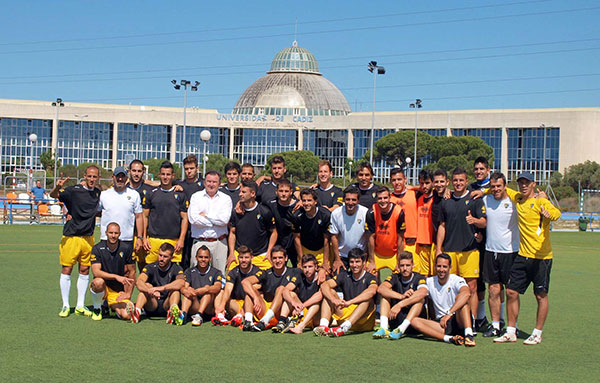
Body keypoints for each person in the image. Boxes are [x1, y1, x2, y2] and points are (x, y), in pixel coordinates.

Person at [493, 171, 561, 345]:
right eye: (521, 182)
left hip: (542, 258)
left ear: (533, 184)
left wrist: (549, 214)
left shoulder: (541, 201)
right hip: (523, 256)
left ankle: (537, 333)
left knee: (540, 295)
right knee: (511, 291)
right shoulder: (518, 199)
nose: (523, 185)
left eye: (527, 182)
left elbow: (556, 214)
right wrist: (482, 191)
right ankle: (510, 331)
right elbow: (503, 189)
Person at [50, 165, 101, 318]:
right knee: (67, 269)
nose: (92, 179)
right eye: (89, 176)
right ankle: (66, 305)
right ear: (85, 176)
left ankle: (80, 305)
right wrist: (57, 187)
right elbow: (54, 195)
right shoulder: (73, 190)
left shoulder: (98, 193)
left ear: (98, 178)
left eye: (95, 177)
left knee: (85, 270)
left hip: (88, 238)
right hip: (71, 237)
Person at [436, 167, 486, 322]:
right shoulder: (446, 200)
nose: (458, 183)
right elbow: (442, 226)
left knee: (471, 288)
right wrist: (439, 249)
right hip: (450, 250)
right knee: (450, 288)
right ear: (451, 182)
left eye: (461, 180)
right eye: (456, 180)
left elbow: (484, 222)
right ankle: (454, 320)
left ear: (467, 182)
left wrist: (475, 221)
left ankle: (472, 321)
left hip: (469, 251)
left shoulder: (474, 200)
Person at [480, 172, 518, 337]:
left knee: (511, 292)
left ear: (505, 186)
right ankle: (495, 325)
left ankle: (510, 328)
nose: (496, 189)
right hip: (491, 250)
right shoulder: (485, 200)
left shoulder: (514, 201)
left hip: (510, 252)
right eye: (493, 186)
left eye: (499, 186)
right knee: (494, 290)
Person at [411, 253, 476, 346]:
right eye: (439, 266)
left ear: (450, 267)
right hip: (443, 324)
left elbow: (466, 293)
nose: (441, 270)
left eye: (445, 267)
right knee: (414, 321)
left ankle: (469, 335)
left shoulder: (456, 280)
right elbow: (419, 293)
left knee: (462, 301)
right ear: (435, 267)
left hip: (458, 319)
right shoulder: (429, 281)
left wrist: (449, 313)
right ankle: (449, 339)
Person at [313, 248, 377, 337]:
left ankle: (344, 327)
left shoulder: (370, 277)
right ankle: (323, 327)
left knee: (367, 300)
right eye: (352, 262)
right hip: (345, 314)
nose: (354, 265)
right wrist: (334, 300)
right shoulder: (344, 275)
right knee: (329, 292)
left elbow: (372, 291)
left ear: (364, 262)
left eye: (357, 262)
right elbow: (324, 285)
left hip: (363, 321)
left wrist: (350, 302)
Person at [240, 246, 299, 331]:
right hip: (265, 309)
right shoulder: (266, 273)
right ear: (271, 260)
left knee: (282, 289)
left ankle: (265, 321)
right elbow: (245, 282)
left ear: (286, 258)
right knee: (251, 290)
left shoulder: (294, 272)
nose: (277, 261)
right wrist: (255, 297)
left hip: (282, 313)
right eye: (274, 258)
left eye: (280, 258)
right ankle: (248, 321)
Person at [373, 251, 427, 339]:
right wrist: (401, 296)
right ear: (398, 266)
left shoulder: (419, 278)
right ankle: (384, 328)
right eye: (402, 266)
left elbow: (423, 292)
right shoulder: (395, 277)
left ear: (413, 265)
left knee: (420, 300)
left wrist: (400, 304)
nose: (405, 268)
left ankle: (401, 329)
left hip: (413, 323)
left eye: (408, 265)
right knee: (385, 296)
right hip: (396, 319)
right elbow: (381, 289)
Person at [142, 161, 188, 265]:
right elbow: (145, 216)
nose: (165, 177)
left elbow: (185, 218)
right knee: (151, 272)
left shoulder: (180, 195)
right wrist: (144, 238)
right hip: (154, 240)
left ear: (173, 176)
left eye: (168, 174)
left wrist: (181, 239)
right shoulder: (151, 194)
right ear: (159, 175)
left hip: (173, 240)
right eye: (163, 174)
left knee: (172, 274)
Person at [187, 170, 232, 276]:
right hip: (199, 241)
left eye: (214, 182)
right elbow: (193, 219)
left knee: (220, 276)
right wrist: (215, 221)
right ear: (204, 182)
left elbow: (224, 220)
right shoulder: (196, 197)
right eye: (209, 181)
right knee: (196, 276)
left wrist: (206, 216)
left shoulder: (226, 199)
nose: (211, 184)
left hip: (219, 242)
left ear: (219, 184)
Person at [89, 222, 136, 321]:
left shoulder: (126, 248)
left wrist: (128, 293)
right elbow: (96, 272)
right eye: (111, 233)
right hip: (103, 287)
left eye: (116, 233)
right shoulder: (97, 248)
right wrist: (116, 276)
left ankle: (111, 308)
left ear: (120, 234)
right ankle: (97, 309)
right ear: (106, 233)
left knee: (127, 316)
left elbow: (132, 272)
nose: (113, 236)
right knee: (97, 282)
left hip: (117, 290)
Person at [129, 243, 185, 324]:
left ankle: (172, 312)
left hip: (167, 304)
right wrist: (150, 290)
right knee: (146, 286)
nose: (161, 259)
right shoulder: (151, 267)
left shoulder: (176, 268)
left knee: (175, 291)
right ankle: (137, 312)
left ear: (171, 258)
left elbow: (181, 282)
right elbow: (139, 282)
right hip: (152, 304)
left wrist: (160, 288)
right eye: (160, 255)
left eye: (165, 256)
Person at [227, 180, 277, 271]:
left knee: (268, 281)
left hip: (260, 255)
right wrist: (231, 253)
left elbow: (274, 232)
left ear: (253, 193)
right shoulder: (236, 212)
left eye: (243, 192)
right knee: (230, 279)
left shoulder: (265, 212)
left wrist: (269, 252)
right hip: (240, 255)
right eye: (240, 192)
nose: (240, 194)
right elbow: (232, 232)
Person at [469, 156, 493, 331]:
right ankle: (477, 318)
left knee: (490, 282)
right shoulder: (470, 188)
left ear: (488, 170)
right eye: (476, 169)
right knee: (474, 281)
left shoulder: (495, 187)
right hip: (474, 240)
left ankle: (487, 318)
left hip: (492, 241)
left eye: (481, 169)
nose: (478, 171)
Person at [211, 246, 260, 327]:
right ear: (238, 258)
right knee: (222, 291)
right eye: (241, 257)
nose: (244, 260)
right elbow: (228, 290)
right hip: (236, 304)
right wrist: (222, 305)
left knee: (252, 291)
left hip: (252, 305)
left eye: (246, 257)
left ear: (252, 258)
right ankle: (220, 315)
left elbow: (259, 290)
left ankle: (241, 316)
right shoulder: (233, 272)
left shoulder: (258, 272)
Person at [98, 166, 143, 249]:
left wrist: (140, 237)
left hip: (126, 239)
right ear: (113, 177)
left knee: (128, 262)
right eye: (117, 176)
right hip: (106, 239)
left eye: (122, 176)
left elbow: (139, 216)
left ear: (126, 178)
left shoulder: (134, 195)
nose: (120, 179)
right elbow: (96, 212)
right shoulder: (104, 195)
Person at [279, 253, 324, 334]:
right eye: (305, 267)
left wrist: (303, 306)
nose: (307, 270)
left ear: (316, 267)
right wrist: (294, 303)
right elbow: (285, 290)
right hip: (303, 310)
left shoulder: (321, 278)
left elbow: (319, 295)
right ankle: (282, 322)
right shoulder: (299, 276)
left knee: (316, 304)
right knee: (291, 294)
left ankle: (300, 326)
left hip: (317, 317)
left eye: (310, 267)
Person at [366, 186, 406, 276]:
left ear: (390, 198)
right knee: (370, 277)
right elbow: (371, 238)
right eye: (380, 198)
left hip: (393, 255)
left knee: (400, 276)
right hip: (377, 254)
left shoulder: (399, 212)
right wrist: (372, 261)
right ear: (376, 199)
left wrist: (398, 261)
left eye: (385, 198)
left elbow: (400, 239)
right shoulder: (372, 212)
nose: (383, 201)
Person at [329, 186, 369, 273]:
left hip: (360, 256)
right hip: (342, 256)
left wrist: (366, 259)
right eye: (348, 199)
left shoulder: (365, 213)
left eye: (354, 200)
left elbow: (369, 238)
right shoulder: (336, 213)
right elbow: (334, 237)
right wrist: (337, 259)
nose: (350, 203)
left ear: (358, 201)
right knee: (337, 280)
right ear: (343, 200)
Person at [174, 155, 205, 270]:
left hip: (200, 229)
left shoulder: (204, 185)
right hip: (183, 229)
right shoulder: (179, 185)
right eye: (186, 169)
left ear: (197, 168)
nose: (189, 171)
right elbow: (159, 184)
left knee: (200, 260)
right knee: (184, 261)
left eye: (191, 168)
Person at [180, 246, 223, 326]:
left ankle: (199, 315)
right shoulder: (189, 271)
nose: (203, 260)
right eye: (200, 257)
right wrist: (187, 290)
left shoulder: (216, 272)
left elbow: (218, 287)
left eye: (206, 257)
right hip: (195, 304)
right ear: (196, 258)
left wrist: (205, 289)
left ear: (210, 258)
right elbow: (184, 287)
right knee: (187, 292)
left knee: (208, 292)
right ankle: (183, 315)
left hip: (208, 308)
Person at [291, 188, 331, 273]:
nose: (306, 203)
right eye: (304, 200)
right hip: (306, 249)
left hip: (322, 250)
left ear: (315, 201)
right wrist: (301, 260)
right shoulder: (297, 216)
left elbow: (326, 240)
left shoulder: (325, 215)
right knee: (302, 273)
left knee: (325, 274)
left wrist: (325, 262)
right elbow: (296, 238)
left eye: (309, 200)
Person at [127, 159, 154, 270]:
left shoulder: (150, 190)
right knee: (127, 268)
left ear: (143, 172)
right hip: (126, 235)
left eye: (139, 171)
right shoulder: (123, 188)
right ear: (129, 171)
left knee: (144, 267)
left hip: (144, 235)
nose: (136, 174)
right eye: (134, 170)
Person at [267, 179, 299, 267]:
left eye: (286, 191)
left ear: (291, 192)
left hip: (295, 244)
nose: (283, 194)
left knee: (299, 268)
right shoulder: (271, 204)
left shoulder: (298, 206)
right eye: (281, 191)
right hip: (278, 243)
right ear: (276, 192)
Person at [389, 168, 418, 259]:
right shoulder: (388, 198)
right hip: (395, 241)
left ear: (405, 179)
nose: (397, 182)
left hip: (412, 240)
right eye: (394, 180)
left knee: (414, 270)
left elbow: (430, 188)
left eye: (399, 179)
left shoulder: (414, 194)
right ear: (390, 181)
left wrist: (415, 187)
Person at [414, 170, 436, 276]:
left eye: (427, 183)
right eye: (421, 183)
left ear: (432, 183)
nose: (424, 186)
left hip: (434, 244)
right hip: (422, 243)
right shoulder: (418, 198)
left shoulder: (438, 198)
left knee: (437, 276)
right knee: (424, 276)